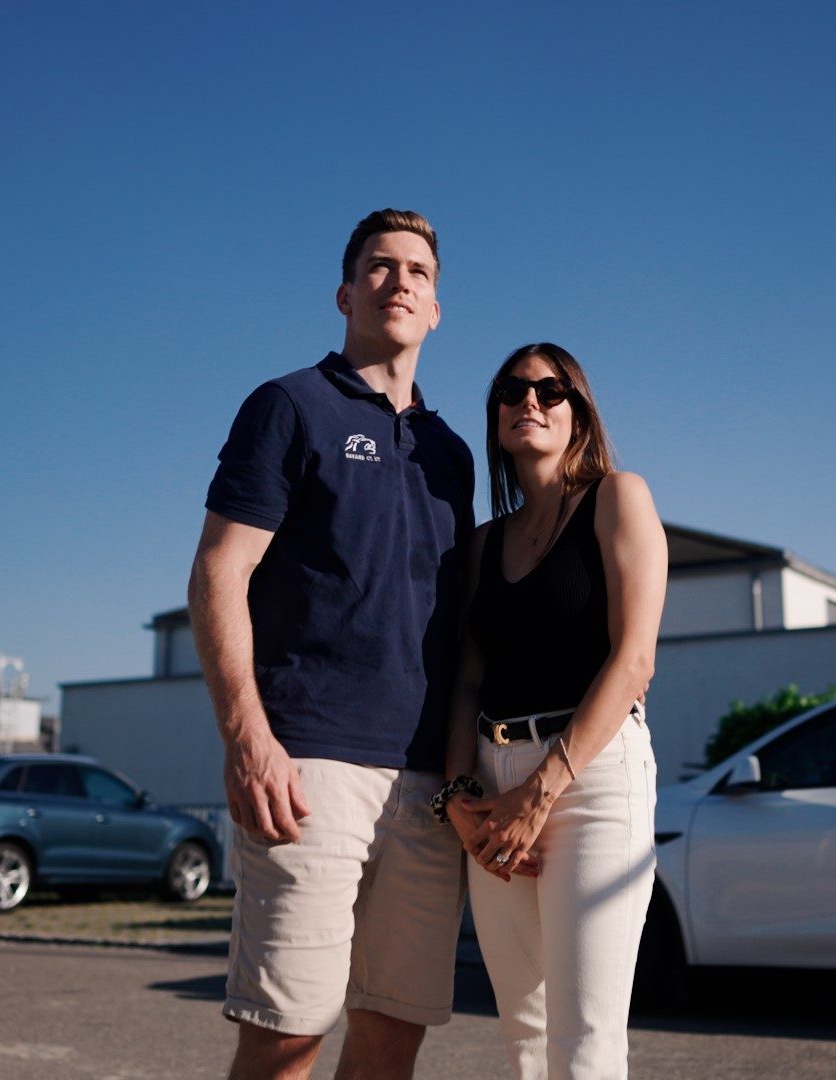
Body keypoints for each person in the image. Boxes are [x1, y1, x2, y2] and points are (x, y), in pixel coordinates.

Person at [189, 209, 474, 1080]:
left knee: (392, 1036)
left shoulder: (453, 455)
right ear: (346, 293)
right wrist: (249, 741)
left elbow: (460, 629)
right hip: (307, 768)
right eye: (380, 267)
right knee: (288, 1037)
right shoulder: (289, 406)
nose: (400, 281)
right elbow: (217, 574)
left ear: (436, 310)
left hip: (424, 784)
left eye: (418, 272)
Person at [438, 342, 668, 1079]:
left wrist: (543, 791)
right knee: (525, 1037)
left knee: (584, 1037)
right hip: (492, 775)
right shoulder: (481, 544)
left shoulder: (617, 498)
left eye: (549, 389)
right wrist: (459, 797)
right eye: (511, 390)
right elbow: (466, 680)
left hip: (592, 777)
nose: (527, 401)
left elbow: (634, 660)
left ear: (579, 413)